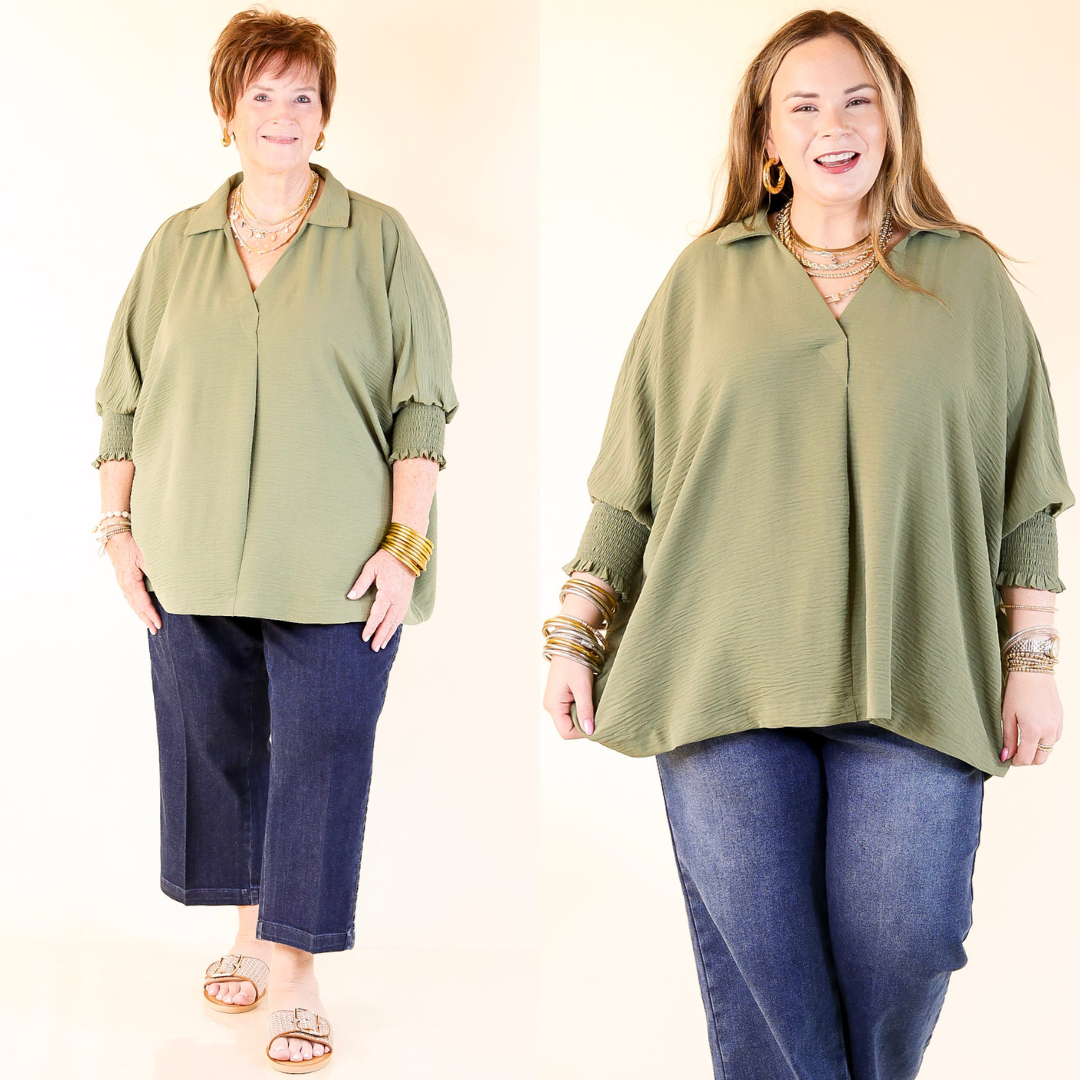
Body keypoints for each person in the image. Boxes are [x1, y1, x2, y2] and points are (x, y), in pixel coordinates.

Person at [541, 9, 1072, 1079]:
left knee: (909, 943)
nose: (836, 125)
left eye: (858, 98)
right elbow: (631, 485)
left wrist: (1032, 661)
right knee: (765, 966)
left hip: (916, 672)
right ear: (768, 140)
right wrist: (575, 631)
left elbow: (1024, 495)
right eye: (805, 105)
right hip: (720, 673)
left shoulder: (965, 281)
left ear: (893, 118)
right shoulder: (706, 280)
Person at [92, 8, 457, 1072]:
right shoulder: (176, 245)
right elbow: (123, 402)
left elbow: (421, 411)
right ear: (227, 113)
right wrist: (118, 529)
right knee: (216, 750)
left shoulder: (379, 239)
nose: (285, 116)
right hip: (188, 557)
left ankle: (296, 971)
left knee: (321, 756)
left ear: (326, 114)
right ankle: (244, 932)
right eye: (263, 96)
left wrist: (407, 546)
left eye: (304, 96)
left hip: (338, 567)